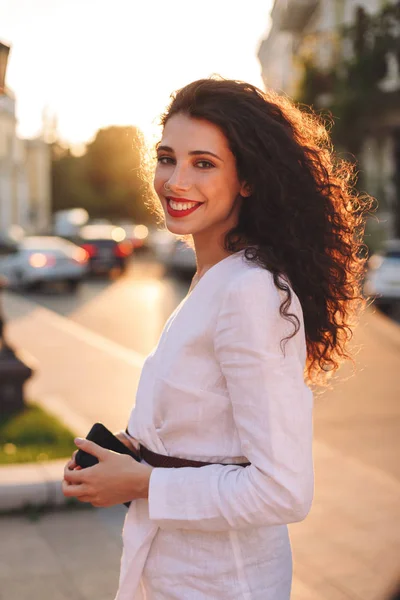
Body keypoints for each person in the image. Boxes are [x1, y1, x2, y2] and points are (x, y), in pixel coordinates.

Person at [62, 77, 371, 599]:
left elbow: (283, 491)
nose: (176, 180)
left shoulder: (249, 291)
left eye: (203, 163)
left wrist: (141, 483)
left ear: (247, 179)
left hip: (223, 583)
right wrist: (136, 453)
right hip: (180, 574)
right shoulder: (216, 277)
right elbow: (213, 436)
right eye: (167, 158)